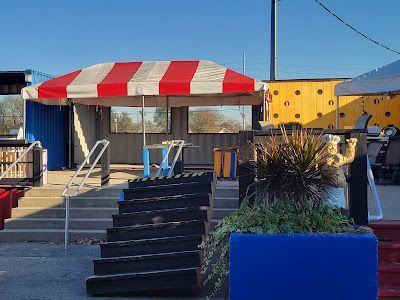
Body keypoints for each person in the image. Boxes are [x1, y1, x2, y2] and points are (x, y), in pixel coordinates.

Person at [320, 134, 358, 210]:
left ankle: (340, 218)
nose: (333, 147)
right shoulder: (323, 159)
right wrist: (334, 164)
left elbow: (348, 159)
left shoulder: (338, 156)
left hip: (339, 189)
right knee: (328, 207)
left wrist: (351, 147)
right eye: (330, 145)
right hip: (329, 188)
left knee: (340, 206)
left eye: (335, 145)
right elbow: (328, 174)